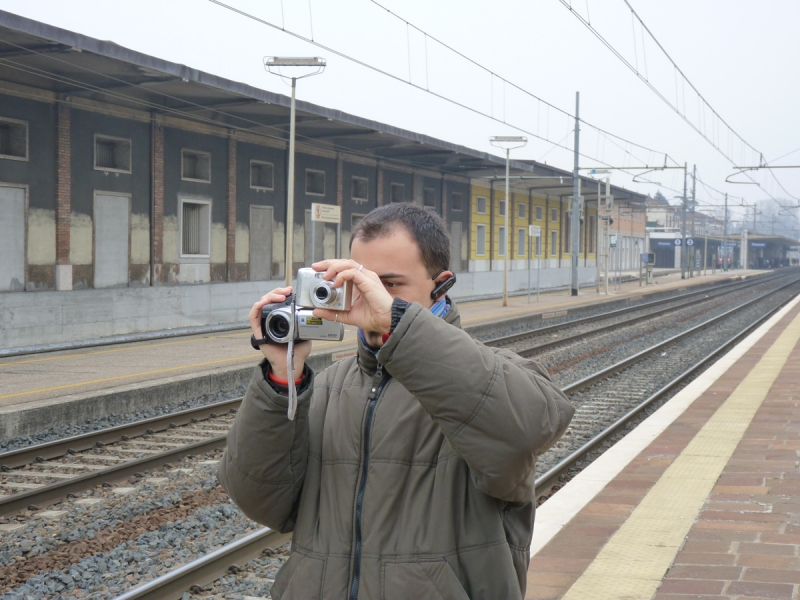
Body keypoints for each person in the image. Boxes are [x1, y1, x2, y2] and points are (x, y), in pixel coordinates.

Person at [218, 203, 574, 600]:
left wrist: (397, 324)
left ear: (441, 284)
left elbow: (530, 427)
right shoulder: (325, 388)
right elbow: (262, 500)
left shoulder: (490, 378)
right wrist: (283, 374)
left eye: (391, 284)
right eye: (359, 282)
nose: (371, 298)